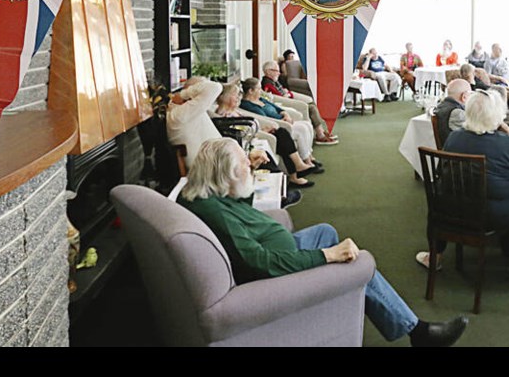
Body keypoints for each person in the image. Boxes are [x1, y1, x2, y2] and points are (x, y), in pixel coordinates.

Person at [178, 137, 469, 347]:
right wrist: (327, 257)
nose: (249, 164)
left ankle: (408, 326)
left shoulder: (206, 195)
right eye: (243, 163)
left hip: (280, 249)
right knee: (358, 261)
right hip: (277, 272)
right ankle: (417, 331)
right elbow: (260, 263)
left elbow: (242, 213)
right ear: (225, 174)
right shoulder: (214, 212)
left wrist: (247, 174)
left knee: (326, 231)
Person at [416, 89, 509, 270]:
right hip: (493, 215)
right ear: (497, 115)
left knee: (441, 200)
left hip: (450, 210)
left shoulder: (454, 138)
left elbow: (442, 170)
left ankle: (435, 256)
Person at [213, 82, 320, 188]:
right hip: (249, 141)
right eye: (235, 95)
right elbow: (240, 132)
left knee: (282, 135)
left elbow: (249, 125)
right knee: (282, 137)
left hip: (257, 134)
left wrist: (264, 129)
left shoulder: (234, 111)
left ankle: (295, 172)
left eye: (238, 95)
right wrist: (262, 132)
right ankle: (296, 171)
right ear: (225, 98)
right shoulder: (224, 115)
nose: (238, 98)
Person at [238, 77, 319, 169]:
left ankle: (309, 157)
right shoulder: (248, 105)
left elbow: (277, 108)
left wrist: (286, 114)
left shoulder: (260, 99)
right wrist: (283, 121)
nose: (261, 91)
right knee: (302, 129)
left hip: (283, 120)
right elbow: (265, 118)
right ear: (250, 91)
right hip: (279, 124)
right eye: (259, 89)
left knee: (307, 124)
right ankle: (307, 160)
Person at [260, 61, 338, 145]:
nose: (279, 73)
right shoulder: (268, 83)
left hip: (288, 98)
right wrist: (286, 94)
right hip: (283, 103)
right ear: (268, 71)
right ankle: (320, 135)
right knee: (311, 108)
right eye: (276, 71)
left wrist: (287, 93)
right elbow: (280, 95)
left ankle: (321, 131)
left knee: (312, 104)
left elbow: (285, 91)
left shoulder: (273, 81)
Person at [434, 78, 509, 144]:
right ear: (465, 96)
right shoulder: (457, 113)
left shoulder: (441, 106)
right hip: (463, 157)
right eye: (471, 94)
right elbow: (480, 134)